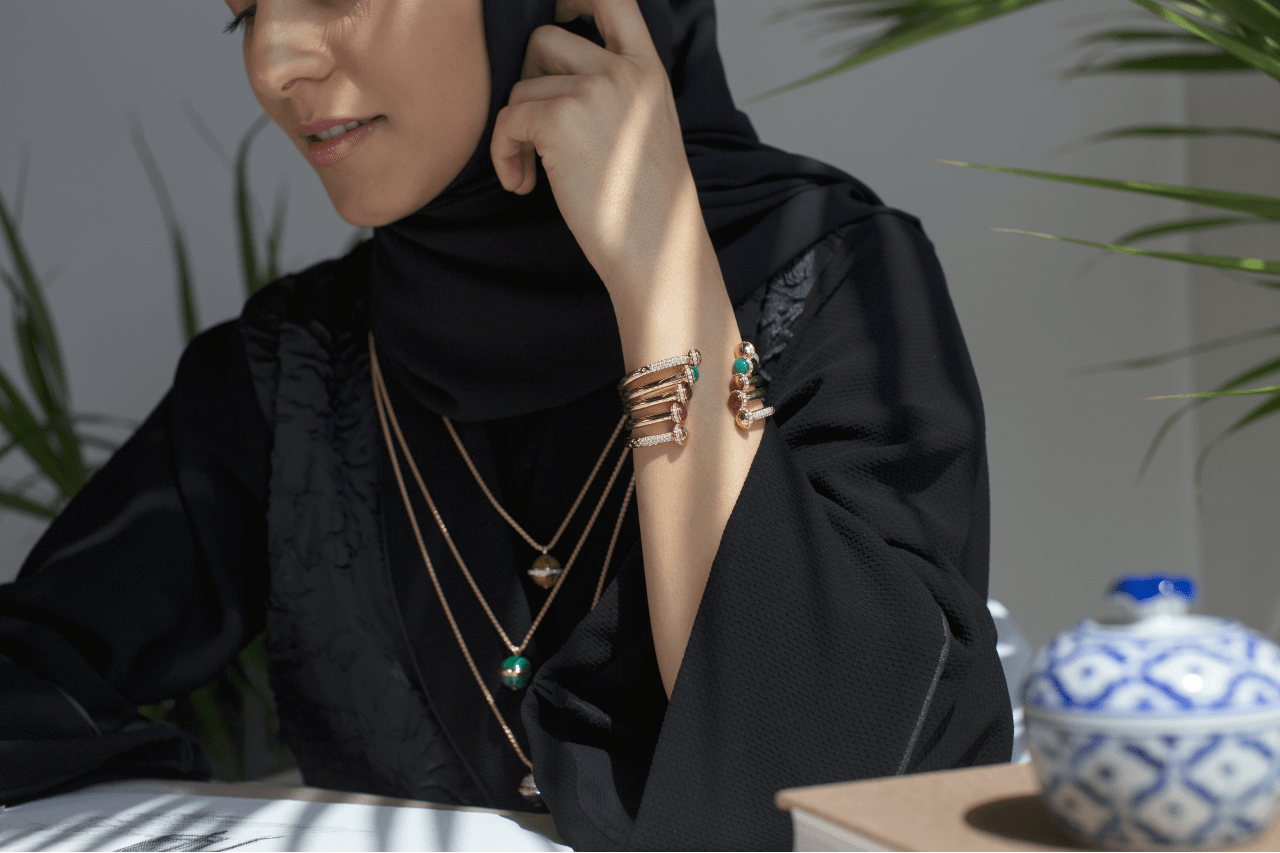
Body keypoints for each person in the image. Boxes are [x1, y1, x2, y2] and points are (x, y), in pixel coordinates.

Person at [0, 0, 1013, 848]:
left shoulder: (835, 285)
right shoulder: (291, 369)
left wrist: (661, 276)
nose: (275, 62)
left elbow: (825, 781)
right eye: (241, 16)